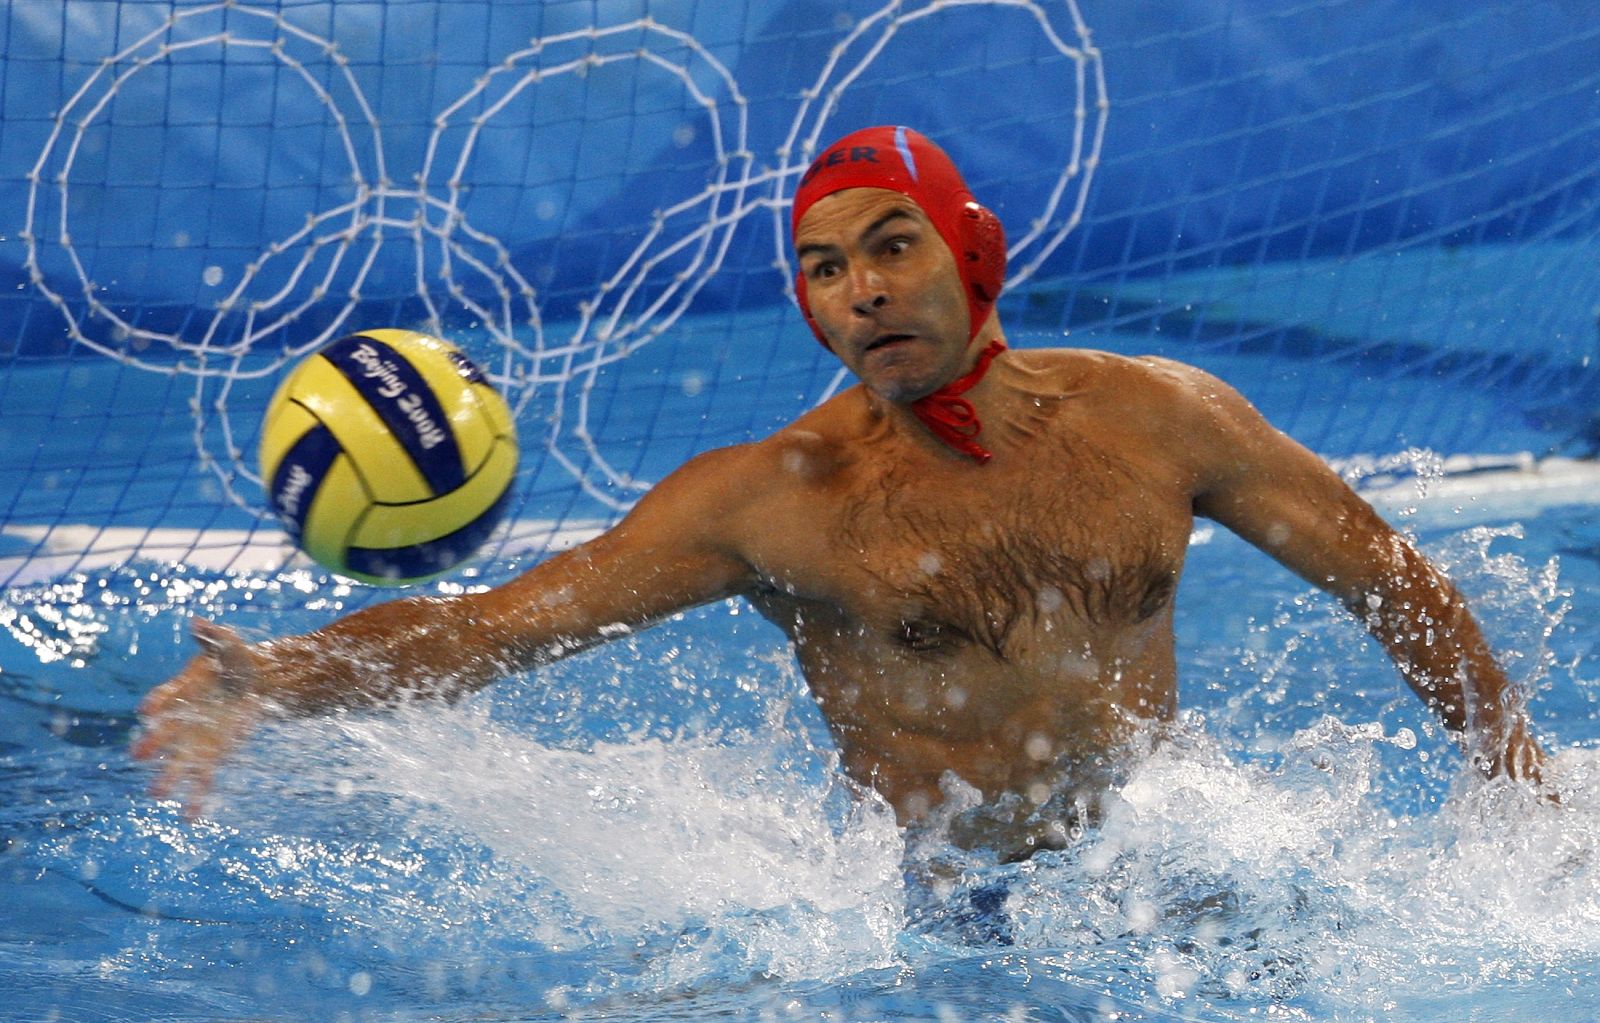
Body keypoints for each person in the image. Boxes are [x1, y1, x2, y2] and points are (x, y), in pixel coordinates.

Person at [134, 125, 1545, 856]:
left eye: (889, 246)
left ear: (971, 252)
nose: (860, 289)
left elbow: (1389, 580)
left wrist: (1509, 777)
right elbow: (495, 630)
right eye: (822, 269)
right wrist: (278, 677)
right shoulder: (774, 500)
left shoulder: (1161, 420)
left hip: (1157, 865)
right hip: (929, 922)